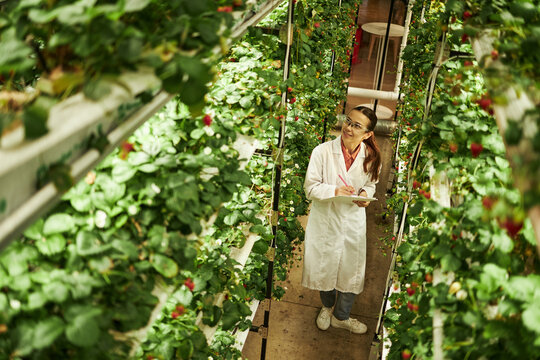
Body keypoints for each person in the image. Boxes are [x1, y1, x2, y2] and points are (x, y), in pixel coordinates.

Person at [302, 105, 381, 334]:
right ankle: (326, 307)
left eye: (357, 125)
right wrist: (335, 191)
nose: (348, 127)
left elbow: (370, 184)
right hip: (326, 220)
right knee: (324, 266)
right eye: (348, 121)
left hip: (353, 221)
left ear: (367, 134)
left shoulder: (372, 157)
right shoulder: (322, 152)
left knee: (351, 271)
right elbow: (310, 188)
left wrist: (365, 195)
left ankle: (341, 316)